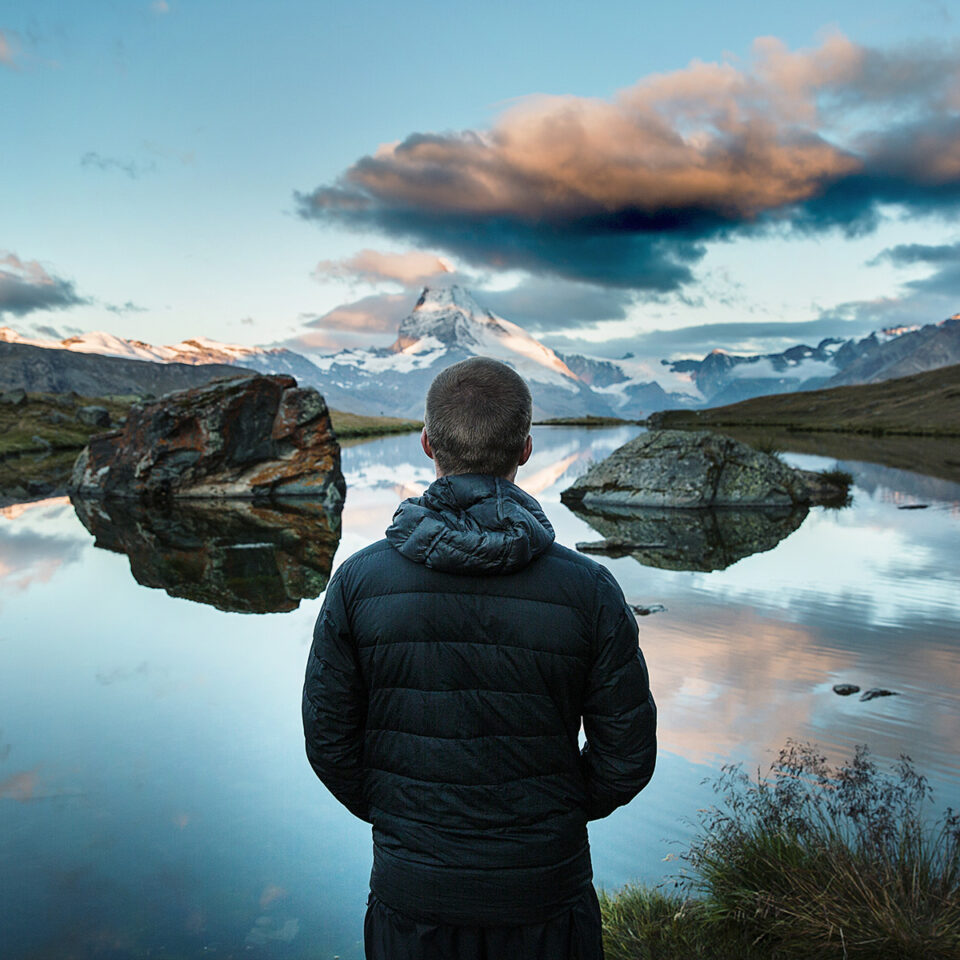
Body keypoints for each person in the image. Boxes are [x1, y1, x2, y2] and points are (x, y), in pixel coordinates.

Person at [302, 356, 657, 960]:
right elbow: (626, 757)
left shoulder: (358, 584)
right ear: (525, 448)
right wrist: (558, 810)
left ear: (425, 444)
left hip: (412, 899)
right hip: (546, 895)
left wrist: (403, 818)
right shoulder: (590, 589)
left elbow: (329, 744)